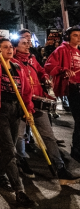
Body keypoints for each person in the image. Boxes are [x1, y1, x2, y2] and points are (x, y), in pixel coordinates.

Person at [13, 36, 79, 183]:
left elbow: (41, 70)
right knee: (20, 135)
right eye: (24, 43)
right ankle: (22, 161)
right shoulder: (12, 62)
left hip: (37, 101)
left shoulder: (32, 58)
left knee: (48, 135)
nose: (28, 45)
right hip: (22, 104)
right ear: (15, 47)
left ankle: (60, 169)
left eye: (28, 43)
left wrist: (44, 78)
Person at [0, 39, 36, 208]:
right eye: (4, 47)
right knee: (9, 150)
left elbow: (26, 91)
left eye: (10, 47)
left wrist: (29, 110)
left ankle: (0, 173)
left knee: (9, 147)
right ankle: (19, 191)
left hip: (16, 110)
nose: (9, 50)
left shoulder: (18, 67)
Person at [45, 26, 80, 162]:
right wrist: (63, 70)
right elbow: (48, 66)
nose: (78, 38)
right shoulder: (62, 49)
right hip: (73, 88)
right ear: (68, 37)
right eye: (75, 35)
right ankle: (76, 151)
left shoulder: (78, 50)